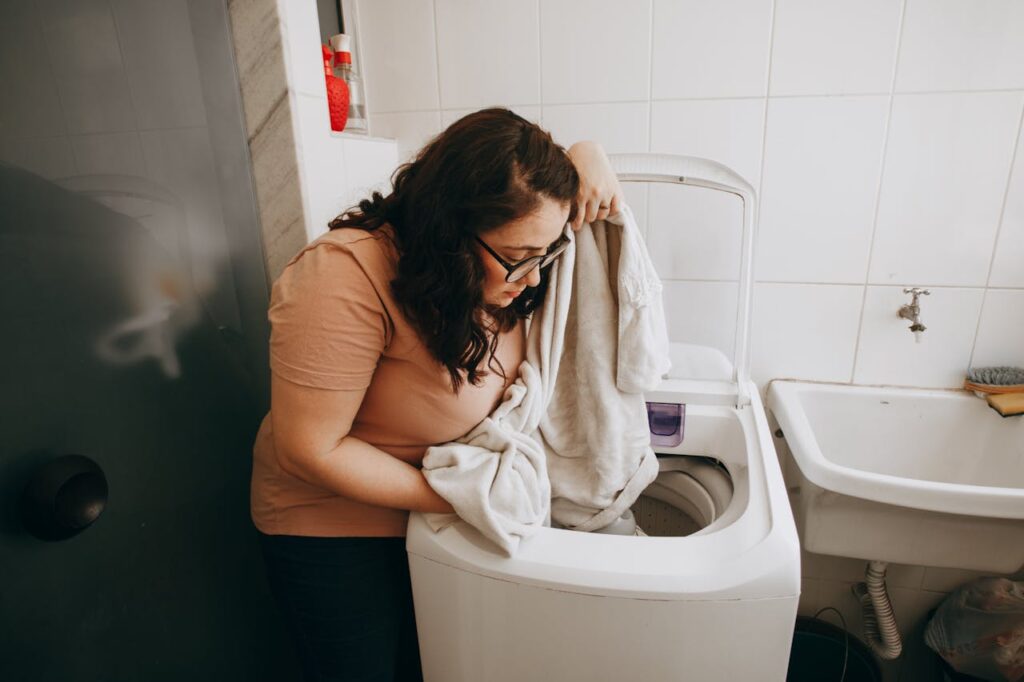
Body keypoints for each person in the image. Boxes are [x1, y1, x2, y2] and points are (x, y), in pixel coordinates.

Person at [251, 107, 625, 681]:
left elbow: (536, 192)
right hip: (336, 533)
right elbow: (309, 447)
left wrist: (586, 152)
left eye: (544, 256)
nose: (533, 279)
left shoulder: (503, 254)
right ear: (449, 228)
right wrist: (464, 496)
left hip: (430, 517)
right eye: (518, 260)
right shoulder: (344, 275)